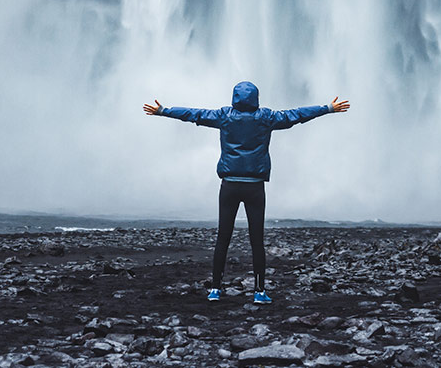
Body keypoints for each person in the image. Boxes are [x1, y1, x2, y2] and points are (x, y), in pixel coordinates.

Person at [144, 81, 349, 304]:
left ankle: (215, 290)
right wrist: (327, 108)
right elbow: (296, 115)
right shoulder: (266, 118)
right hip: (254, 186)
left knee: (223, 238)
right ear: (256, 98)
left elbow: (195, 114)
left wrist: (164, 111)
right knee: (256, 240)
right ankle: (259, 292)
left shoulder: (224, 116)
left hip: (229, 185)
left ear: (234, 97)